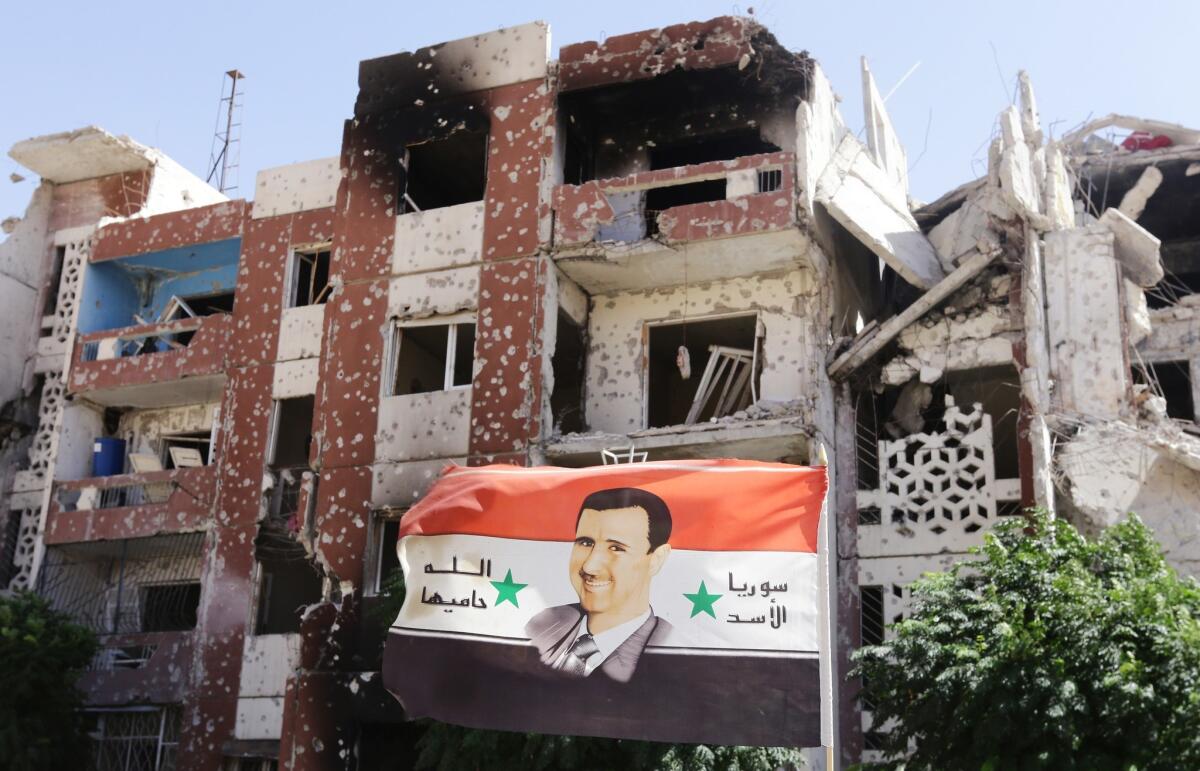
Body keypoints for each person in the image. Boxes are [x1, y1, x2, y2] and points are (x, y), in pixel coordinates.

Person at [525, 487, 674, 683]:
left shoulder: (672, 650)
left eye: (616, 548)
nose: (590, 566)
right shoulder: (541, 625)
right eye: (585, 543)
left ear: (656, 559)